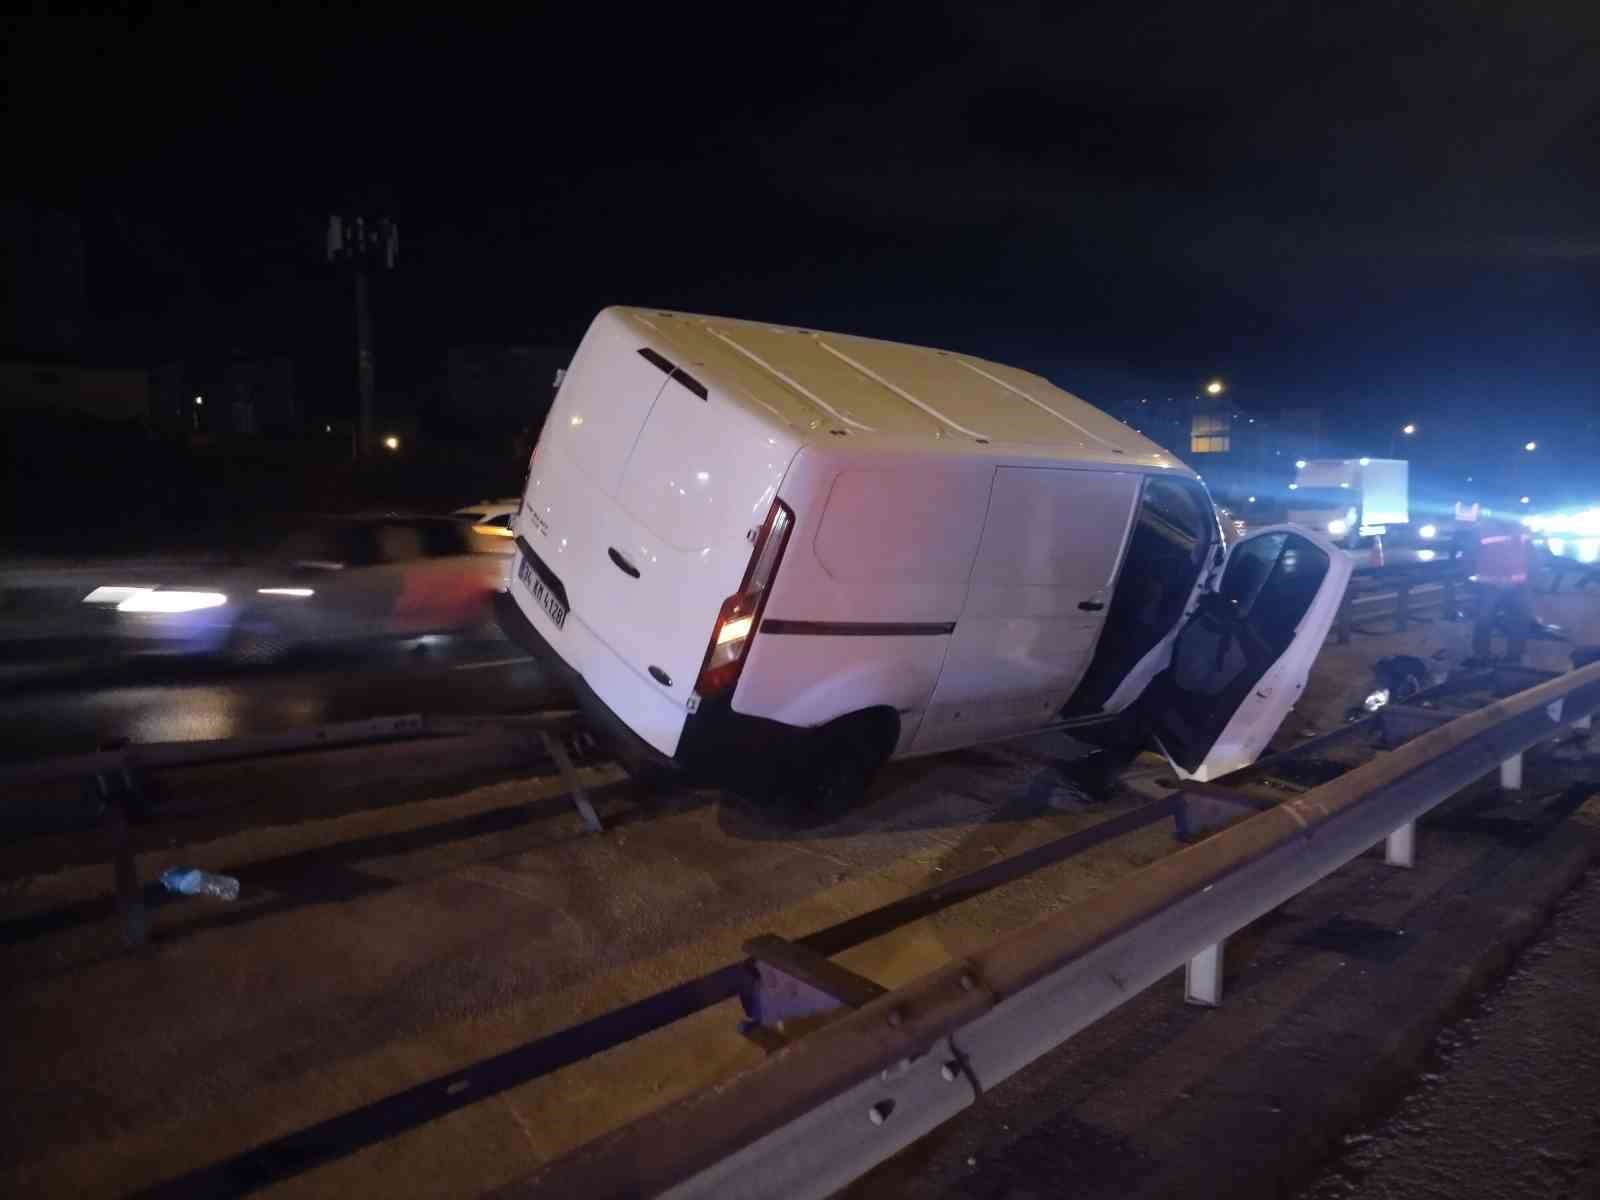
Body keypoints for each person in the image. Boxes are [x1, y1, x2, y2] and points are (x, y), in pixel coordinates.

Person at [1469, 515, 1537, 664]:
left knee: (1519, 621)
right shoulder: (1482, 529)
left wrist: (1530, 576)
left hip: (1518, 584)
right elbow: (1469, 556)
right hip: (1490, 585)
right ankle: (1481, 655)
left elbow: (1531, 554)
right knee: (1485, 620)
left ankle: (1514, 656)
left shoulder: (1522, 528)